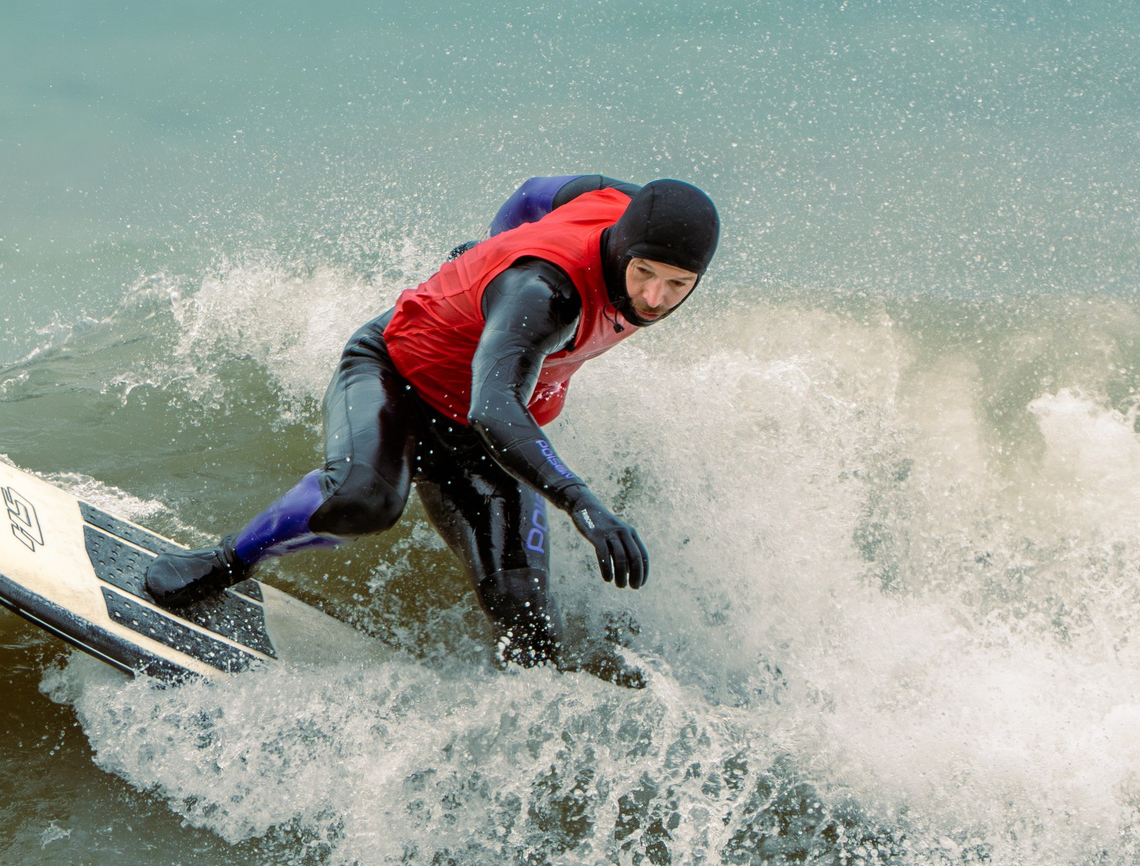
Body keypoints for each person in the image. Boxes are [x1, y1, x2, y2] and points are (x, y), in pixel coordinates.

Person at [144, 174, 720, 665]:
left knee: (531, 625)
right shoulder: (544, 292)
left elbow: (536, 193)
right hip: (396, 371)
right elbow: (494, 407)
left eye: (678, 285)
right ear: (621, 248)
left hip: (473, 427)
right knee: (363, 500)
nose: (654, 297)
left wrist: (491, 246)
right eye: (644, 273)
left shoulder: (621, 200)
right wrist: (579, 499)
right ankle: (223, 562)